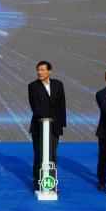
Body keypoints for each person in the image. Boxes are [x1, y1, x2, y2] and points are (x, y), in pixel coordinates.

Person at [28, 61, 66, 191]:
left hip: (55, 125)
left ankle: (51, 182)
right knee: (39, 154)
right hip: (39, 125)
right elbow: (35, 106)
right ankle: (38, 181)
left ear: (49, 71)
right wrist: (46, 118)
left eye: (42, 70)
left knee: (52, 155)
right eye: (38, 70)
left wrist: (62, 122)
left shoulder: (58, 84)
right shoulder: (33, 86)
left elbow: (62, 104)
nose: (40, 72)